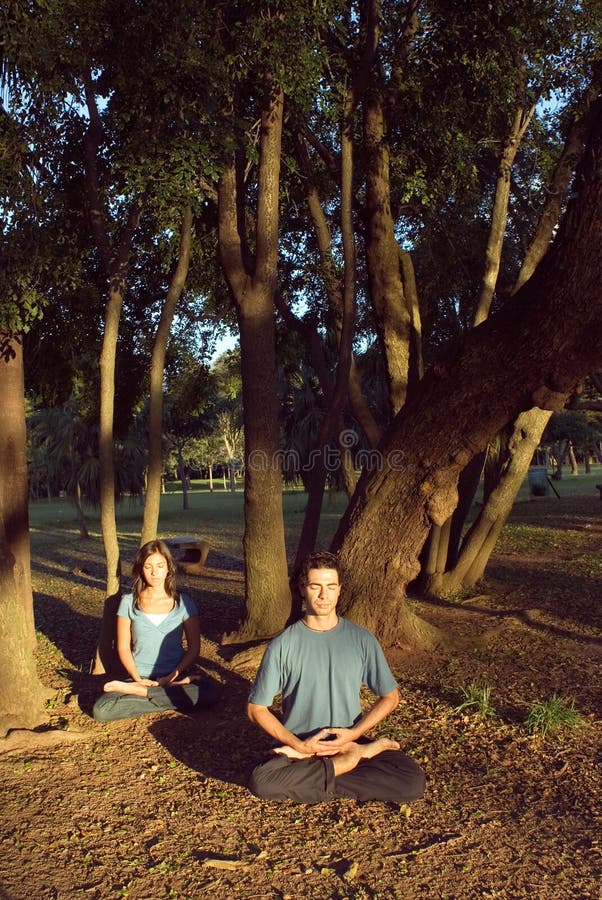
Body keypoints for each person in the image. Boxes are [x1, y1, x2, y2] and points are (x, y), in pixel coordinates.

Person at [247, 550, 426, 804]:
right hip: (303, 748)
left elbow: (391, 697)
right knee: (261, 781)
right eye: (315, 586)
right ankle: (347, 764)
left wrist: (354, 736)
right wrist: (299, 746)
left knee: (412, 780)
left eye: (331, 586)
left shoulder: (362, 639)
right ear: (302, 588)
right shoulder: (282, 645)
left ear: (340, 589)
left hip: (349, 741)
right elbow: (256, 709)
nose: (323, 595)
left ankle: (329, 772)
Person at [93, 539, 219, 722]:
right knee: (101, 710)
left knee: (210, 692)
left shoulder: (184, 602)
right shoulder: (129, 602)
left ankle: (144, 694)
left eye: (160, 566)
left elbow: (194, 649)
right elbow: (123, 648)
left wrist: (171, 677)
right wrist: (137, 679)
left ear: (168, 567)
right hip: (140, 676)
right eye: (148, 566)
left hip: (176, 675)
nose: (154, 572)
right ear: (141, 569)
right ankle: (159, 693)